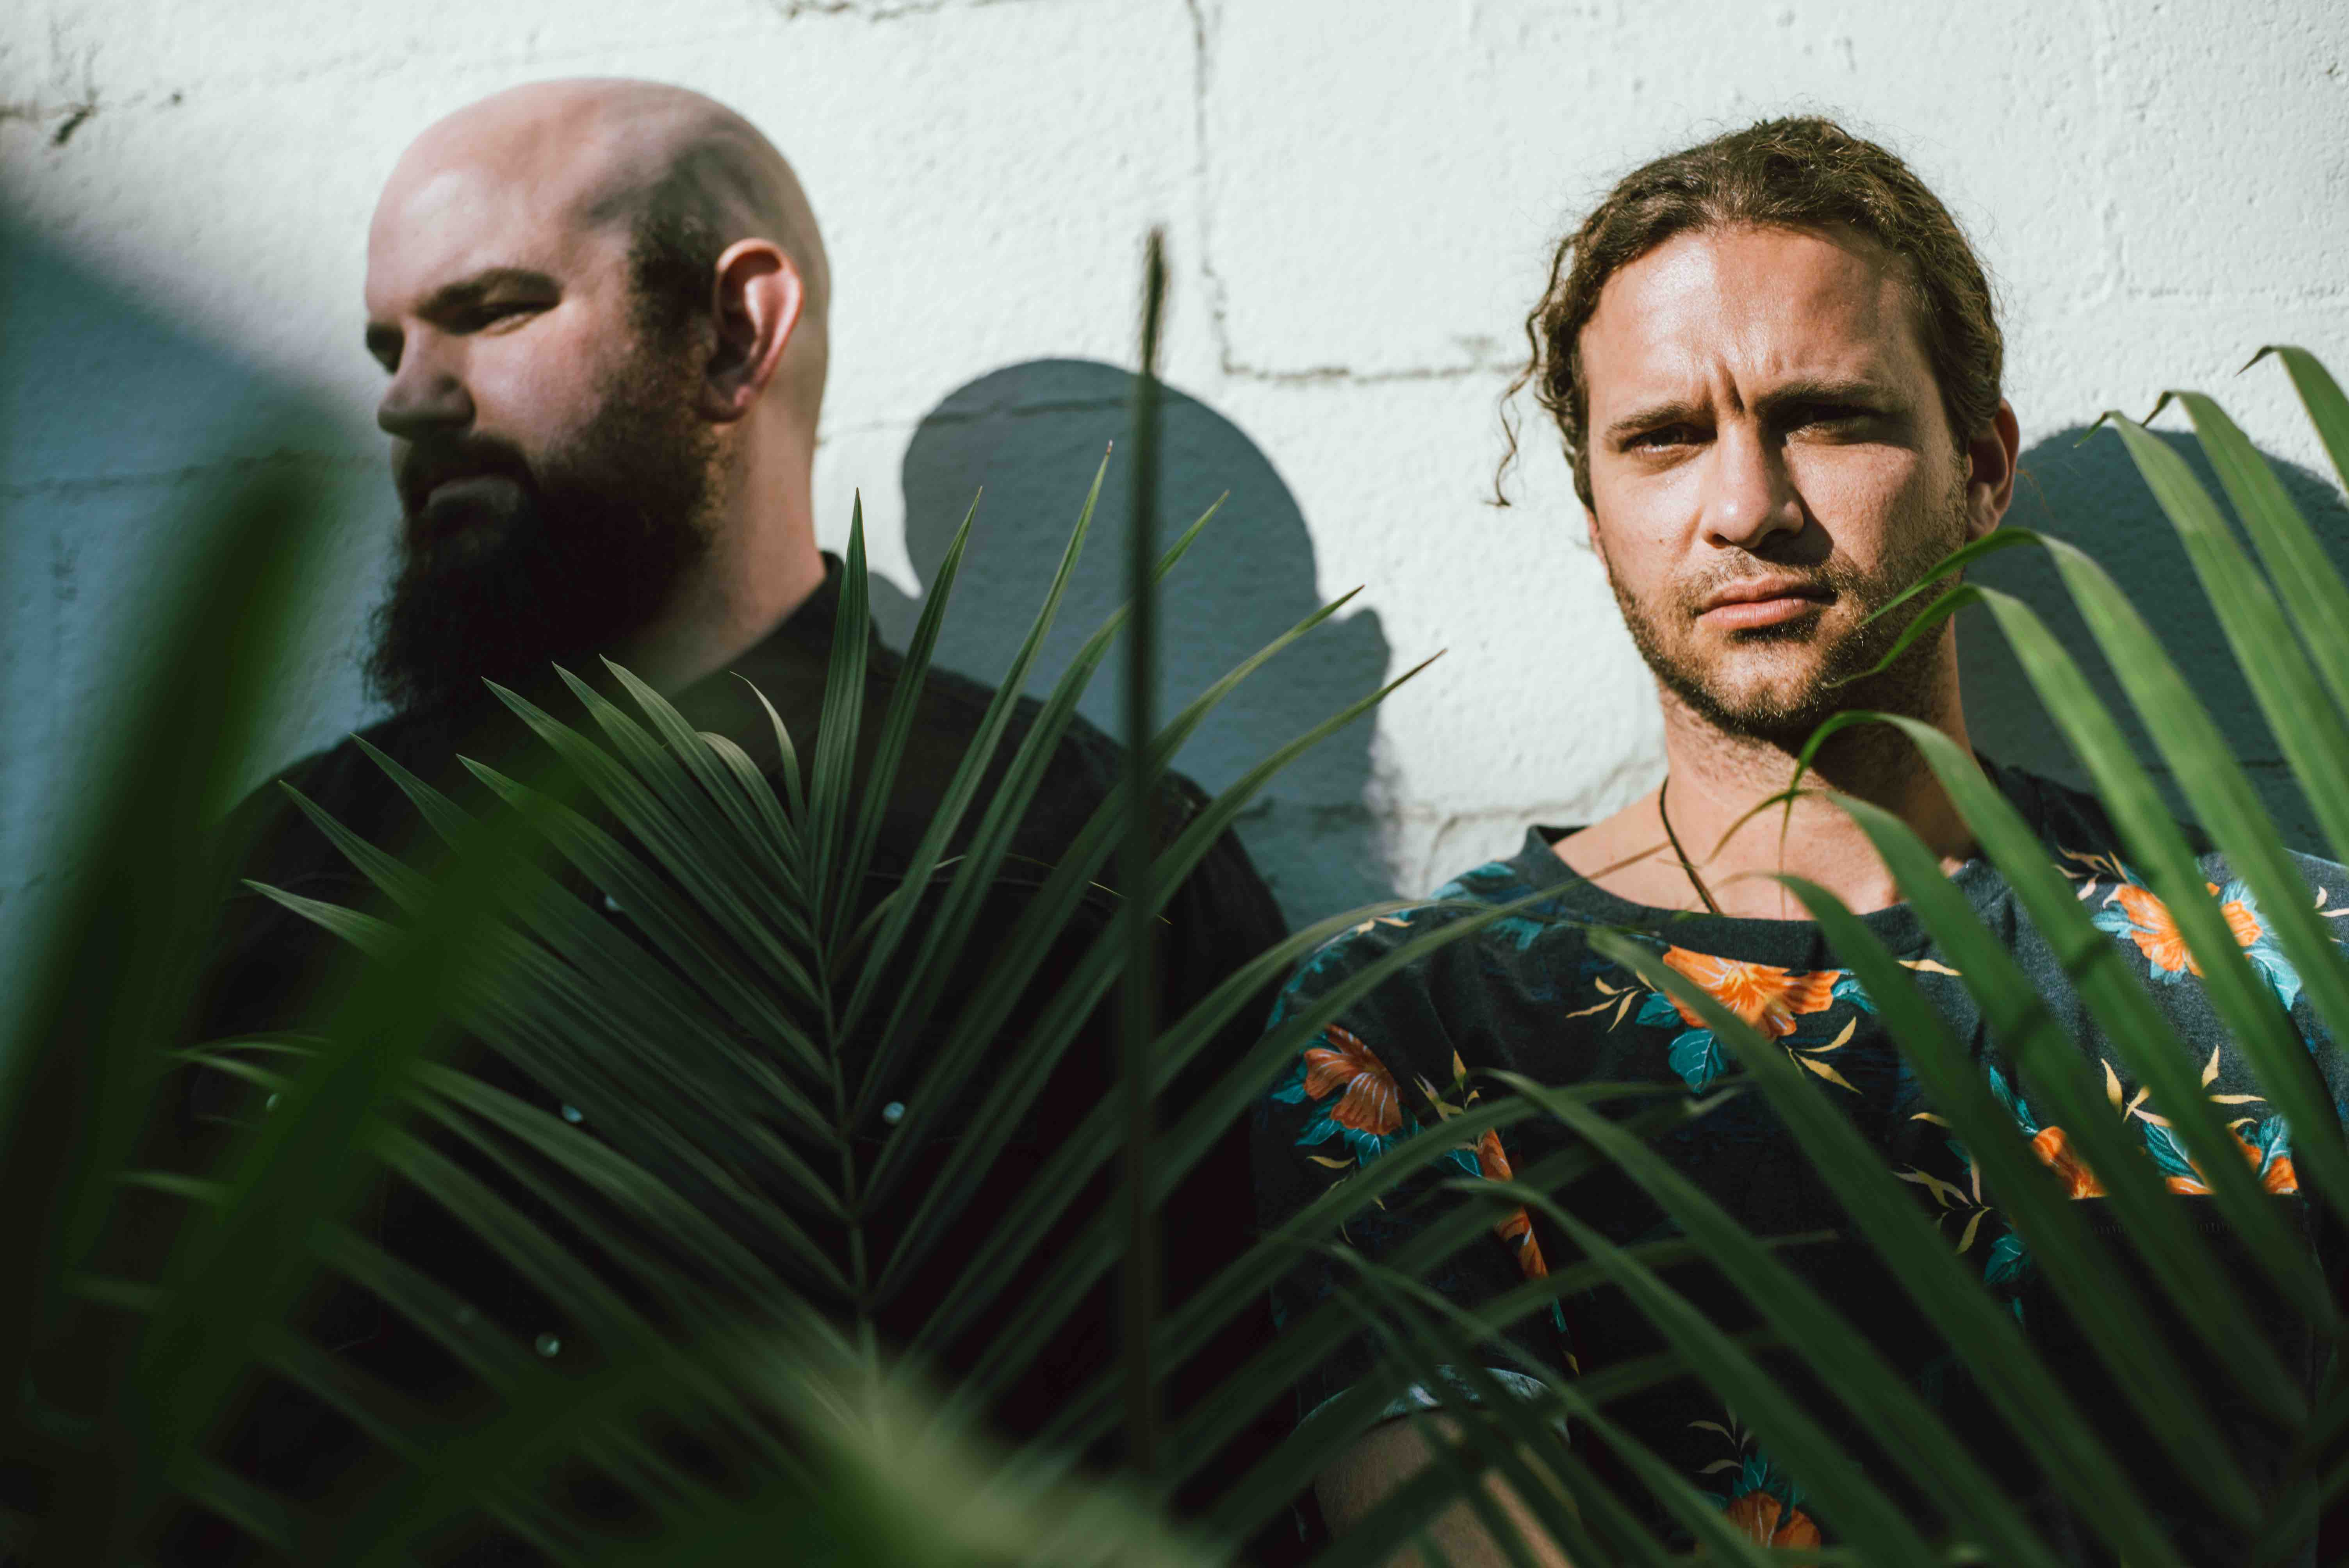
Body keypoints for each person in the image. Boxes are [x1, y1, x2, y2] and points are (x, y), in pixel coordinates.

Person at [132, 79, 1291, 1557]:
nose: (408, 400)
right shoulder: (282, 881)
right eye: (390, 345)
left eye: (492, 310)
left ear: (737, 332)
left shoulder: (1084, 862)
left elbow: (1253, 1440)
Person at [1254, 116, 2347, 1565]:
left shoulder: (2289, 968)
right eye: (1664, 439)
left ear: (1982, 467)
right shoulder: (1416, 1029)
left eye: (1826, 417)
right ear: (1595, 508)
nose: (1747, 508)